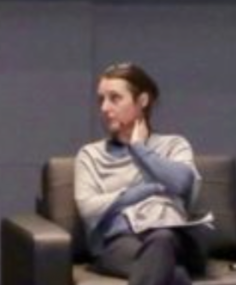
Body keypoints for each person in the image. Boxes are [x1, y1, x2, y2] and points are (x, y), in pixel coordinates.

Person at [73, 62, 209, 285]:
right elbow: (89, 208)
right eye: (101, 99)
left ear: (142, 101)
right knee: (172, 274)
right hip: (119, 244)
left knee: (162, 239)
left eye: (115, 98)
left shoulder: (173, 145)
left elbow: (183, 182)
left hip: (173, 238)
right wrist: (151, 188)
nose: (105, 108)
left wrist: (140, 151)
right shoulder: (91, 155)